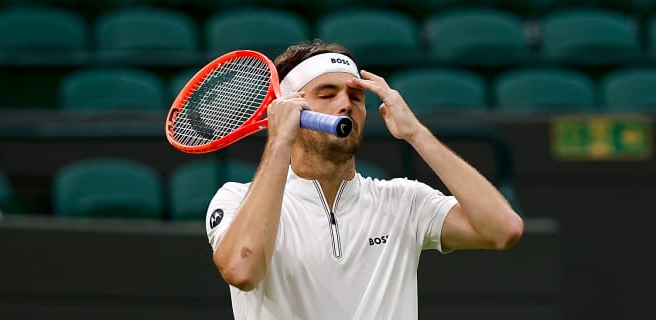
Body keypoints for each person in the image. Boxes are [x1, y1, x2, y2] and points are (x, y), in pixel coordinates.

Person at [205, 39, 524, 319]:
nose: (345, 104)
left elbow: (503, 229)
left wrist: (416, 133)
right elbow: (241, 269)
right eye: (326, 94)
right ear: (289, 109)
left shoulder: (405, 201)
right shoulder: (235, 199)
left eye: (356, 97)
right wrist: (279, 142)